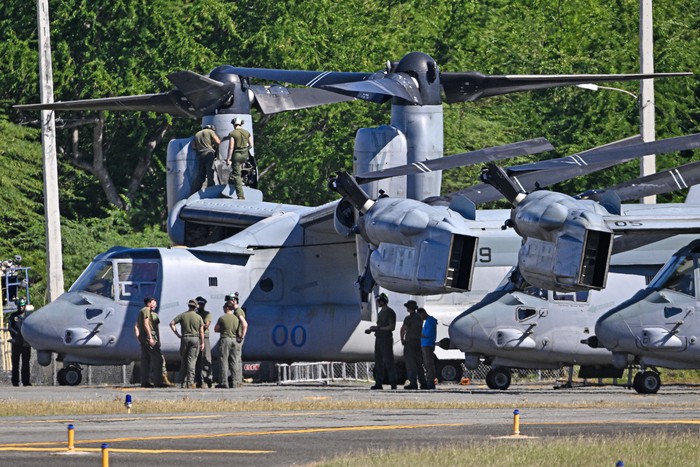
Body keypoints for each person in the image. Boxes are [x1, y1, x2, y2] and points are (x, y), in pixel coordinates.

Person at [365, 292, 397, 390]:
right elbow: (380, 326)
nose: (378, 302)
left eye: (379, 301)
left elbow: (392, 327)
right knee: (378, 362)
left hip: (386, 339)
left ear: (383, 301)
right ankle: (378, 383)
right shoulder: (381, 312)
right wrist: (371, 329)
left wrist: (378, 329)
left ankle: (393, 383)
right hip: (378, 339)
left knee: (389, 361)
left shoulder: (390, 312)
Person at [169, 299, 205, 388]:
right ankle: (190, 382)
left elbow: (171, 323)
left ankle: (182, 382)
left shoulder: (182, 315)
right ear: (196, 307)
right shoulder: (198, 317)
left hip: (184, 338)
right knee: (192, 360)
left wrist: (178, 334)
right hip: (195, 338)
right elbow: (201, 332)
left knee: (183, 360)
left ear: (188, 306)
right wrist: (203, 342)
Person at [133, 296, 164, 388]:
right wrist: (150, 338)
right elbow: (146, 324)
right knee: (158, 359)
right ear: (149, 303)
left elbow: (136, 326)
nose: (156, 304)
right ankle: (158, 382)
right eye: (154, 302)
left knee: (145, 360)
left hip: (144, 338)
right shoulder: (146, 310)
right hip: (149, 337)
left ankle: (145, 382)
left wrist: (139, 337)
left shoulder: (142, 312)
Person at [215, 300, 242, 388]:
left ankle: (224, 382)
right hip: (234, 340)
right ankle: (235, 382)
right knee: (234, 362)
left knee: (224, 361)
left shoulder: (222, 318)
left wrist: (222, 329)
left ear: (227, 308)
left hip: (225, 339)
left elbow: (216, 329)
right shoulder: (236, 318)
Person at [400, 300, 426, 390]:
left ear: (409, 308)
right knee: (418, 364)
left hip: (410, 342)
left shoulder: (409, 318)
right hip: (418, 342)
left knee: (411, 364)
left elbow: (403, 329)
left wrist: (402, 339)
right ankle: (423, 383)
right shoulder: (419, 318)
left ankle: (413, 383)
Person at [226, 118, 253, 200]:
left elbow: (231, 147)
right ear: (241, 123)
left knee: (236, 175)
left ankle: (240, 195)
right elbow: (251, 145)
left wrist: (228, 159)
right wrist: (245, 150)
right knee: (242, 169)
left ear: (234, 124)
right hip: (245, 155)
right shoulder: (247, 132)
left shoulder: (232, 133)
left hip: (237, 155)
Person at [8, 297, 31, 387]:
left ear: (25, 306)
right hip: (16, 343)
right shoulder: (13, 316)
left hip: (25, 343)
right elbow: (10, 328)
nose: (21, 308)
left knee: (25, 364)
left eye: (22, 306)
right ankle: (15, 382)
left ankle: (26, 382)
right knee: (15, 363)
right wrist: (16, 333)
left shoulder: (28, 316)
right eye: (20, 306)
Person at [192, 124, 221, 193]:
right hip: (209, 153)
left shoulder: (197, 134)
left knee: (201, 174)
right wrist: (213, 146)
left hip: (200, 155)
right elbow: (218, 142)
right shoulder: (210, 131)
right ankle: (211, 190)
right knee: (210, 173)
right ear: (210, 128)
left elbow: (193, 147)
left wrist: (201, 147)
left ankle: (195, 191)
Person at [194, 296, 213, 388]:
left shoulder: (207, 314)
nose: (201, 305)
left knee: (206, 357)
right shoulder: (194, 314)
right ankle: (199, 379)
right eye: (199, 304)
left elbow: (206, 325)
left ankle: (207, 377)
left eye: (202, 304)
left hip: (204, 337)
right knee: (196, 359)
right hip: (196, 337)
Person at [418, 307, 438, 390]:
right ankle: (429, 381)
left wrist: (419, 332)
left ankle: (430, 382)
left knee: (429, 364)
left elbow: (428, 334)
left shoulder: (430, 322)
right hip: (425, 344)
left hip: (427, 345)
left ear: (423, 313)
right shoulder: (428, 321)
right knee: (427, 364)